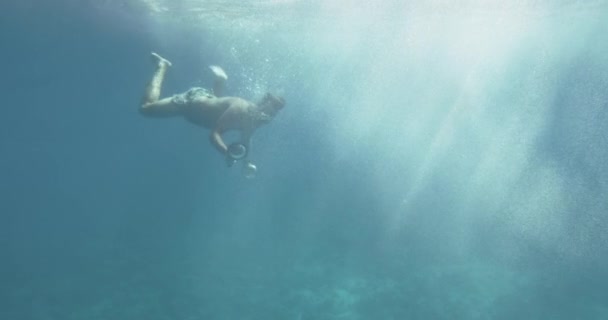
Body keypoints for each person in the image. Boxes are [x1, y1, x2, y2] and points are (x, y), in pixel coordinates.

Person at [139, 52, 285, 178]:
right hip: (189, 102)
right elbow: (214, 134)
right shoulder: (240, 108)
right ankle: (162, 65)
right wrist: (227, 152)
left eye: (273, 113)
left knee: (214, 105)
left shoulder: (255, 118)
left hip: (206, 104)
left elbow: (246, 139)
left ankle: (220, 81)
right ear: (262, 104)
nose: (268, 116)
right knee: (146, 108)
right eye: (269, 111)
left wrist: (246, 162)